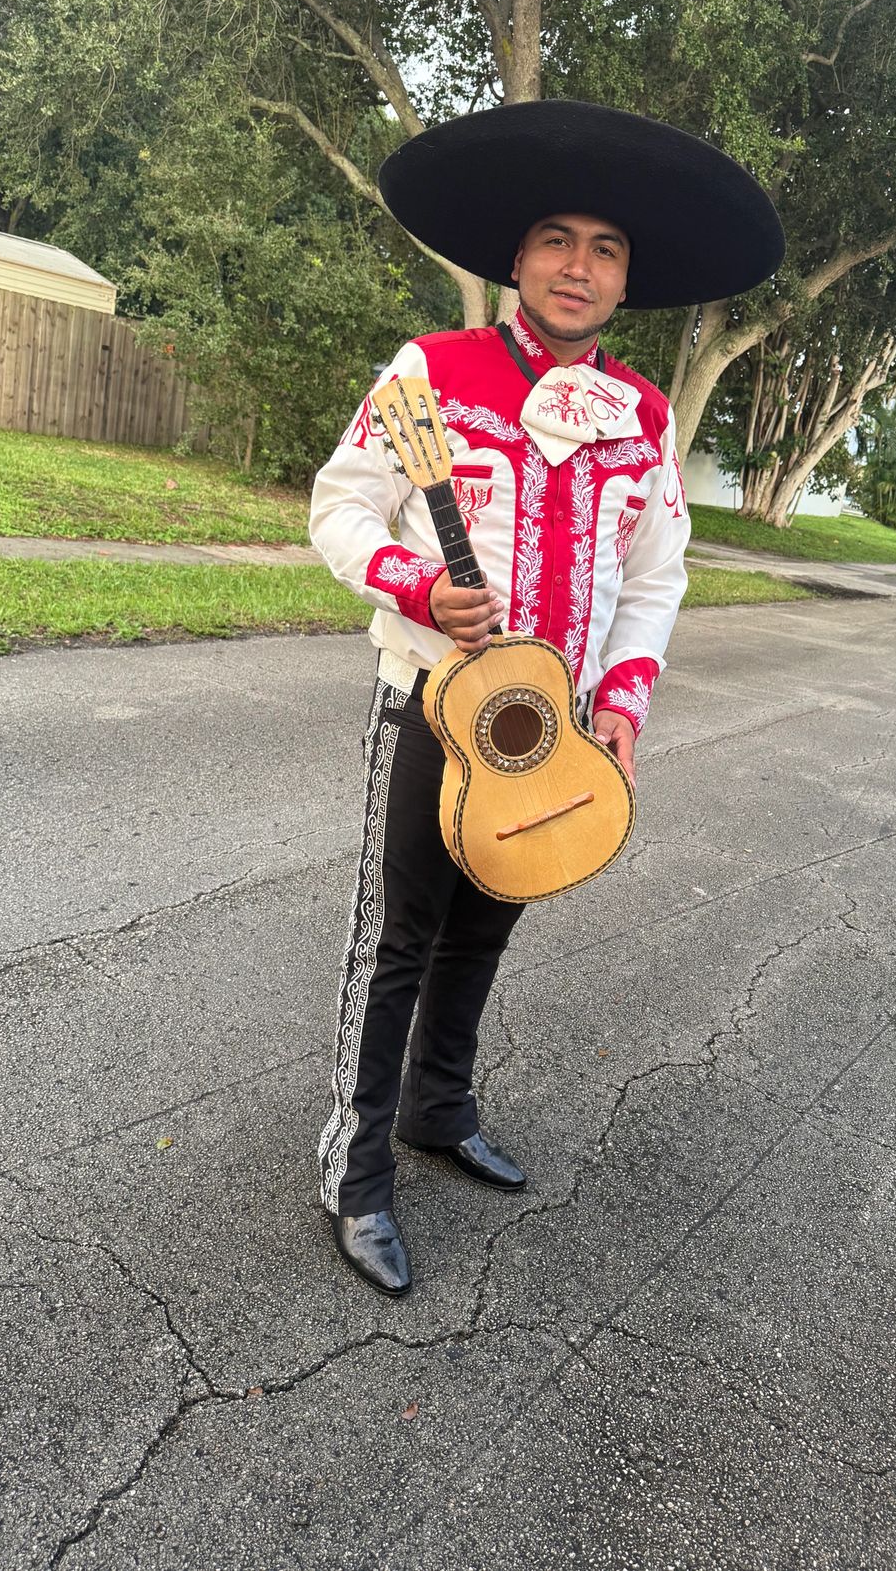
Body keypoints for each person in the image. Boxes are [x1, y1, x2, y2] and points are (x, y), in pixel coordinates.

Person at [309, 100, 784, 1296]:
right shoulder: (434, 371)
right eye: (557, 240)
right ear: (516, 260)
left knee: (491, 919)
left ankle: (439, 1107)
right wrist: (417, 580)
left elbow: (654, 574)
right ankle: (355, 1169)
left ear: (627, 280)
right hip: (434, 702)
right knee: (402, 940)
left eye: (606, 248)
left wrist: (620, 702)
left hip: (556, 723)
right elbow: (339, 507)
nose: (580, 267)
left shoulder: (642, 418)